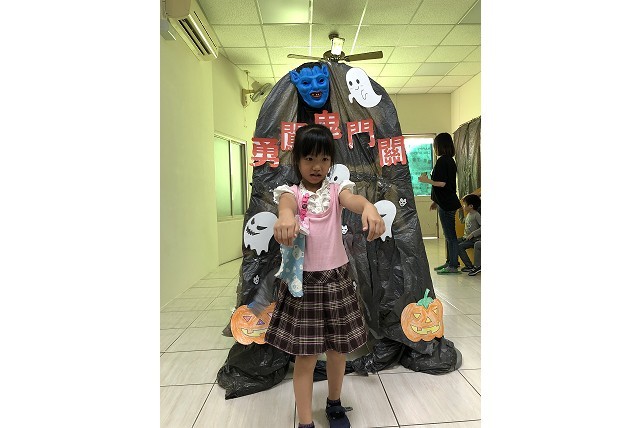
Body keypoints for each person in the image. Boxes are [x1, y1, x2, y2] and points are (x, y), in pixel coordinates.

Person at [265, 124, 385, 428]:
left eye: (323, 159)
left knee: (337, 351)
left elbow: (353, 201)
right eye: (309, 159)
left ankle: (334, 404)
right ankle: (305, 422)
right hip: (303, 285)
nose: (317, 166)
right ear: (297, 161)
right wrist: (286, 217)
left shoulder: (336, 190)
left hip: (337, 280)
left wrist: (368, 206)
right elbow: (286, 208)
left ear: (331, 161)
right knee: (305, 358)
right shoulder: (290, 193)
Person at [419, 132, 461, 274]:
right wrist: (436, 202)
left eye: (435, 145)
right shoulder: (449, 160)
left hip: (447, 204)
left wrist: (426, 180)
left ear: (440, 146)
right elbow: (447, 185)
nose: (434, 148)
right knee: (449, 236)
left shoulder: (443, 161)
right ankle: (450, 262)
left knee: (450, 236)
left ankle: (453, 265)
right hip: (445, 202)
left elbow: (442, 183)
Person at [457, 194, 481, 273]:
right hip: (465, 237)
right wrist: (460, 210)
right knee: (453, 242)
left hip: (474, 239)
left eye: (464, 204)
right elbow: (462, 221)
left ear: (471, 206)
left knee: (460, 247)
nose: (463, 206)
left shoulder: (476, 215)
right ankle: (453, 262)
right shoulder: (468, 214)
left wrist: (473, 234)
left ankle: (469, 266)